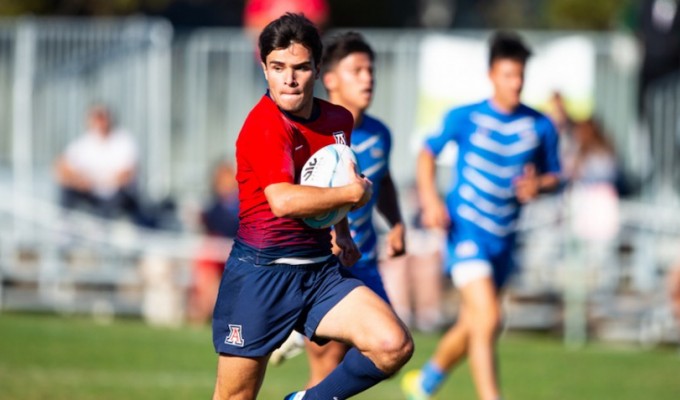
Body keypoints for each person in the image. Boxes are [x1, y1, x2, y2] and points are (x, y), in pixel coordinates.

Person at [211, 13, 413, 400]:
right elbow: (284, 200)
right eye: (278, 67)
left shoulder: (338, 119)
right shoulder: (265, 126)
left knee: (393, 344)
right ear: (264, 69)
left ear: (317, 69)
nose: (289, 78)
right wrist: (352, 198)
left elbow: (332, 179)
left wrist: (342, 231)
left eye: (301, 67)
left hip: (319, 271)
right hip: (261, 275)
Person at [401, 31, 560, 400]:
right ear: (492, 75)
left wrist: (540, 186)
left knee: (475, 321)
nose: (516, 83)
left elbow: (555, 175)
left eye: (520, 75)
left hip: (505, 237)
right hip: (465, 232)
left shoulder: (540, 125)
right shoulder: (465, 117)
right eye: (508, 75)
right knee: (489, 317)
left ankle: (426, 382)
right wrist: (430, 201)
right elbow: (426, 154)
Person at [292, 31, 407, 388]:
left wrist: (397, 222)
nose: (367, 78)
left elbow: (383, 180)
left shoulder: (380, 134)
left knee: (392, 346)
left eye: (370, 70)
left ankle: (295, 336)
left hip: (366, 260)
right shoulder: (312, 133)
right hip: (322, 264)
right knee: (327, 362)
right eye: (357, 70)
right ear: (329, 79)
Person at [54, 105, 144, 223]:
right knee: (66, 191)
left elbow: (127, 174)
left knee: (118, 196)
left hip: (116, 194)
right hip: (91, 193)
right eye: (96, 118)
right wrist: (79, 181)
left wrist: (98, 183)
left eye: (102, 117)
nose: (100, 122)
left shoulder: (123, 141)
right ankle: (64, 228)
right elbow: (61, 167)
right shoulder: (84, 143)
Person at [187, 159, 239, 324]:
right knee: (206, 268)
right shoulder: (214, 207)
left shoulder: (241, 205)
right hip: (218, 253)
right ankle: (204, 313)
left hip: (239, 253)